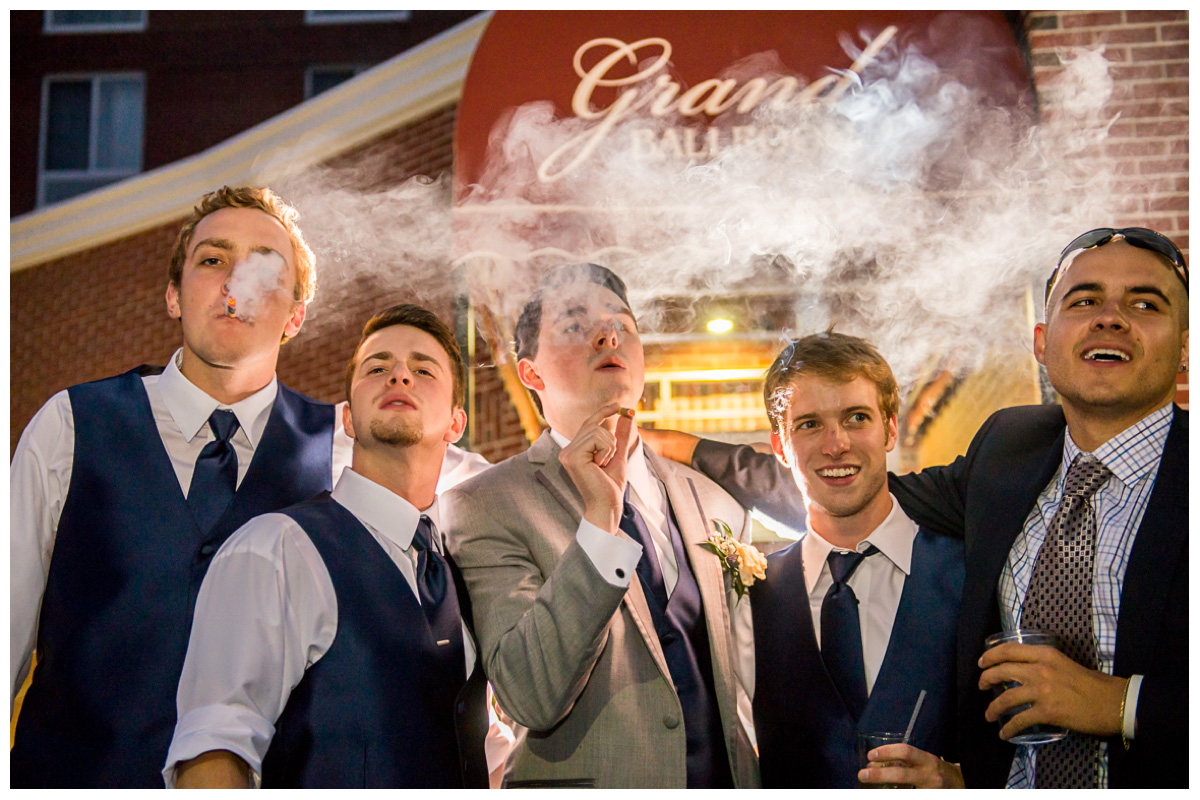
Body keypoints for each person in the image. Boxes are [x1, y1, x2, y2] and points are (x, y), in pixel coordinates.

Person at [646, 226, 1189, 788]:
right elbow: (850, 489)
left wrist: (1123, 704)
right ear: (1042, 343)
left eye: (1145, 303)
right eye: (1085, 300)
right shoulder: (1009, 453)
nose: (1110, 317)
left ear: (1184, 345)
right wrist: (666, 448)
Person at [8, 187, 489, 787]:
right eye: (212, 260)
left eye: (264, 264)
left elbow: (499, 493)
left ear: (295, 316)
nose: (235, 280)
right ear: (172, 295)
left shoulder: (347, 447)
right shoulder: (72, 426)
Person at [442, 263, 759, 788]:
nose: (608, 334)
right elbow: (529, 693)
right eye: (574, 325)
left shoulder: (715, 503)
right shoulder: (484, 505)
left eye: (622, 324)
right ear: (531, 374)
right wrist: (598, 524)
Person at [164, 304, 490, 788]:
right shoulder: (275, 550)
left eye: (423, 370)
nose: (399, 375)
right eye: (376, 368)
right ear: (348, 420)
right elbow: (213, 749)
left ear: (455, 424)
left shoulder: (465, 569)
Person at [748, 332, 964, 788]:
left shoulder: (969, 574)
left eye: (856, 417)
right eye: (808, 424)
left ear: (890, 429)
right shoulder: (751, 595)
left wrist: (964, 781)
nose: (836, 444)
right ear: (780, 446)